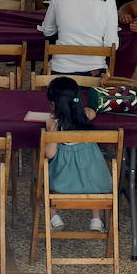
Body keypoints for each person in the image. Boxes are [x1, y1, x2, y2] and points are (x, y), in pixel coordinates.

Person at [41, 75, 112, 232]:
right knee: (91, 180)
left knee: (41, 179)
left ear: (53, 104)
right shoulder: (86, 117)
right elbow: (92, 112)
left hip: (63, 183)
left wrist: (49, 131)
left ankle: (54, 218)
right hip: (95, 180)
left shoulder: (57, 125)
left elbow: (50, 154)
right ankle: (96, 220)